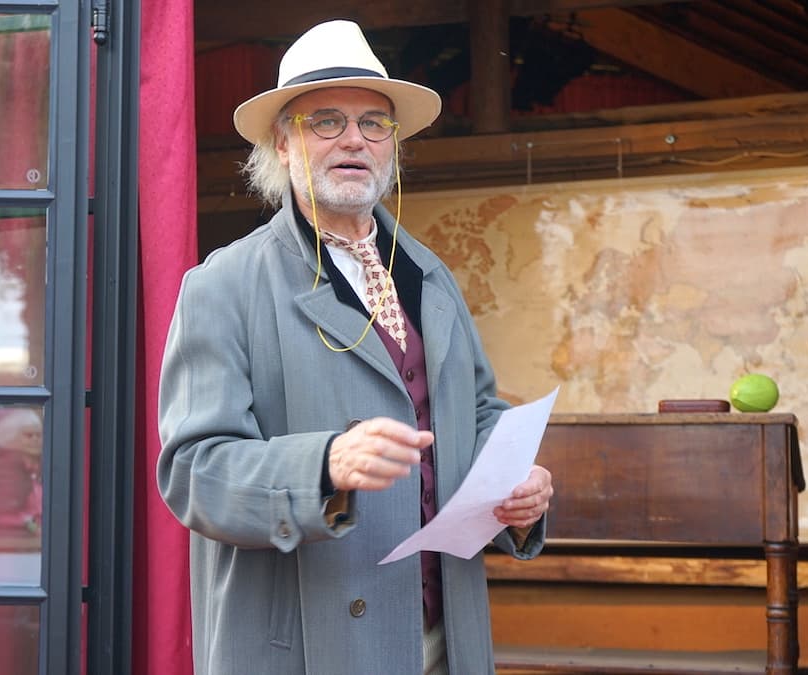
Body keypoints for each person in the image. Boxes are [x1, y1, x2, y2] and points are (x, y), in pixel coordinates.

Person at [157, 19, 554, 675]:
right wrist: (324, 464)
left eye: (374, 123)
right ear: (283, 144)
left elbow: (478, 413)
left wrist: (517, 491)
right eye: (326, 121)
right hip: (309, 650)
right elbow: (194, 472)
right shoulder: (223, 284)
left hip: (441, 639)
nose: (354, 140)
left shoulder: (430, 276)